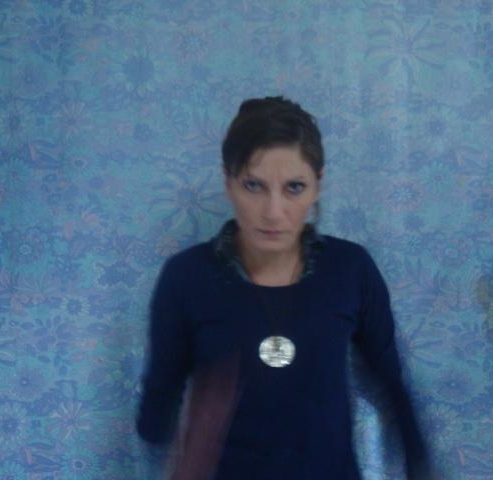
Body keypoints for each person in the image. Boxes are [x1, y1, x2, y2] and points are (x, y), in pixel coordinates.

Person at [136, 96, 432, 479]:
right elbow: (154, 420)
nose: (273, 212)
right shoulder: (187, 277)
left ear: (318, 185)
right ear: (228, 182)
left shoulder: (350, 269)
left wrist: (421, 464)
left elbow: (392, 382)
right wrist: (196, 420)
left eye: (294, 187)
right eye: (253, 185)